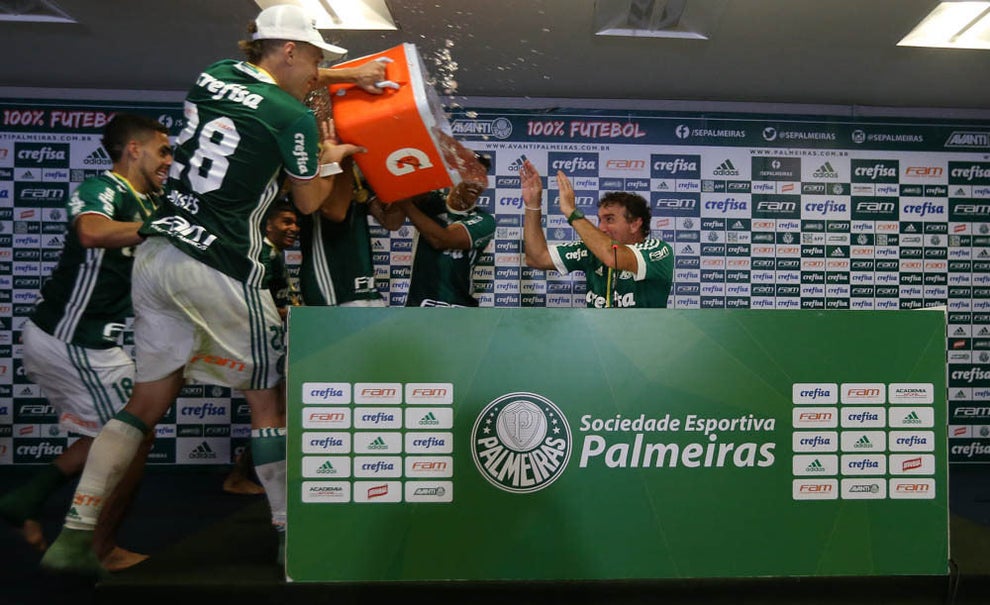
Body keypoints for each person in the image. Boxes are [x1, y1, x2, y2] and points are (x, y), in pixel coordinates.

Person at [41, 3, 388, 575]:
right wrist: (329, 161)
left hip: (158, 256)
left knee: (144, 404)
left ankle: (75, 534)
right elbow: (308, 204)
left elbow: (274, 83)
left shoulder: (214, 74)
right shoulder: (292, 118)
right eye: (316, 59)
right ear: (291, 51)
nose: (316, 73)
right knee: (268, 401)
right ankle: (287, 535)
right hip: (223, 263)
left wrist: (346, 77)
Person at [0, 113, 171, 572]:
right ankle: (99, 549)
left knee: (106, 437)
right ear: (133, 149)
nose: (168, 162)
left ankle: (23, 499)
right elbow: (92, 232)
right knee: (133, 435)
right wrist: (163, 230)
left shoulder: (155, 204)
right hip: (71, 340)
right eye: (163, 151)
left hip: (88, 341)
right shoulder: (104, 189)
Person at [519, 159, 673, 308]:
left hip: (642, 335)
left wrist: (572, 213)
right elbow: (537, 258)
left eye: (610, 219)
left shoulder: (658, 250)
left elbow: (612, 257)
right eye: (600, 220)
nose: (602, 227)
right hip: (596, 335)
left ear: (634, 224)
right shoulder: (591, 250)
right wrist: (533, 205)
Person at [223, 198, 300, 496]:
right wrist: (288, 313)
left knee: (275, 414)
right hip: (255, 343)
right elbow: (254, 304)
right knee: (272, 414)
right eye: (286, 222)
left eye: (296, 223)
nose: (293, 229)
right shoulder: (262, 255)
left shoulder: (272, 254)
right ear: (267, 225)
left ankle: (245, 477)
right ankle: (270, 488)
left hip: (269, 342)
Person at [298, 160, 404, 306]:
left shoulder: (356, 171)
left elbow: (391, 222)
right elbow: (336, 212)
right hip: (332, 285)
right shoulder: (315, 164)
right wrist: (345, 156)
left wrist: (407, 183)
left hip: (366, 286)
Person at [398, 154, 495, 307]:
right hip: (419, 309)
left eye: (481, 176)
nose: (477, 182)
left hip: (458, 312)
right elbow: (391, 220)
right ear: (453, 175)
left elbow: (440, 240)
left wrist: (405, 203)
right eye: (470, 173)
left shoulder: (485, 221)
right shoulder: (429, 201)